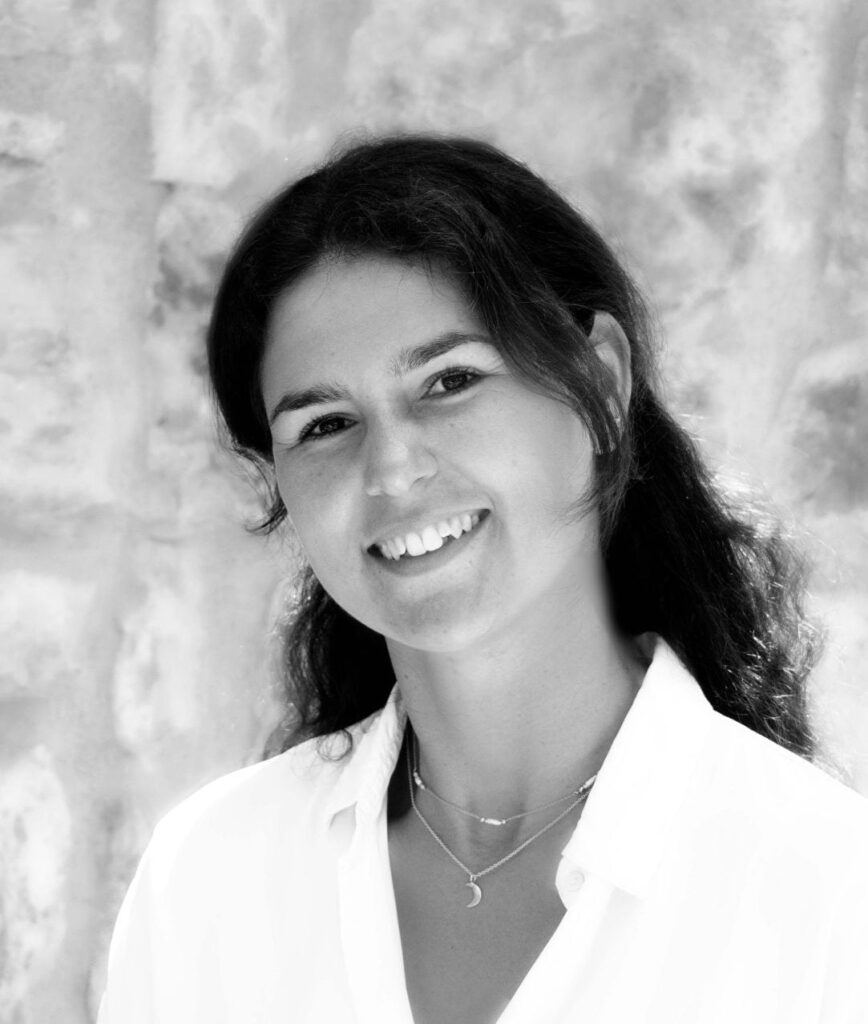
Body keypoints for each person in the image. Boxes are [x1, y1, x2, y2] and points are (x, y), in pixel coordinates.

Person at [98, 135, 868, 1024]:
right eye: (325, 425)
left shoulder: (828, 899)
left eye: (450, 381)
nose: (392, 469)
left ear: (601, 385)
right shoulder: (206, 883)